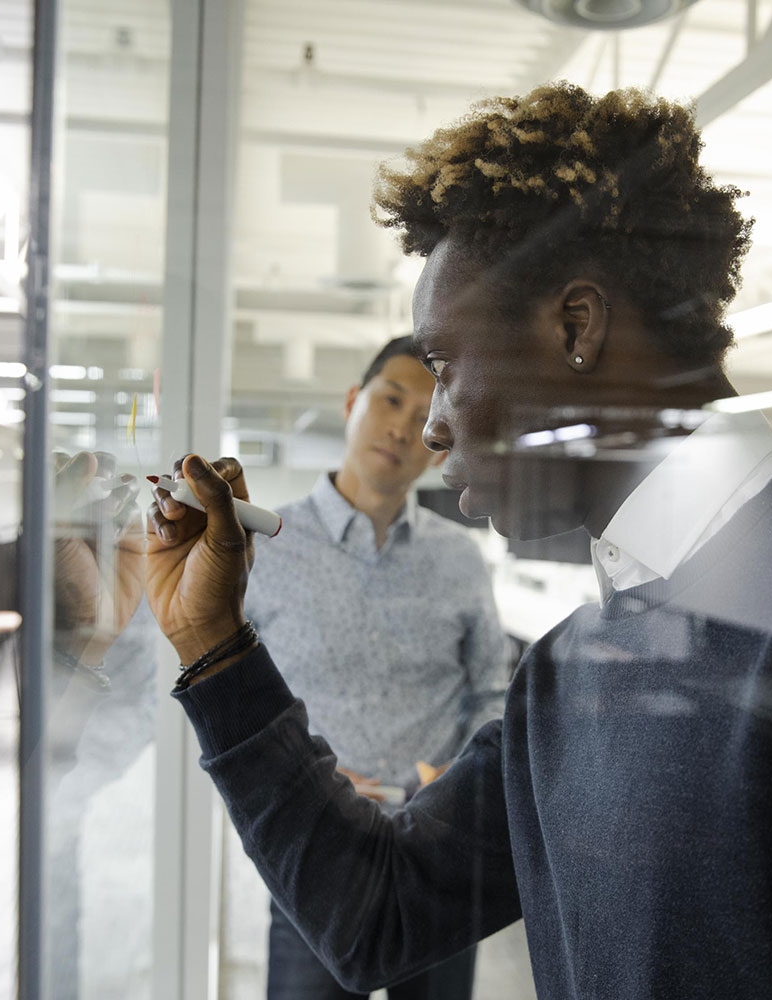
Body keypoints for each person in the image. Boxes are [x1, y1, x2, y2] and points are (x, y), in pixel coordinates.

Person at [144, 84, 772, 999]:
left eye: (449, 362)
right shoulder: (575, 667)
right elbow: (377, 909)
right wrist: (215, 648)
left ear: (576, 324)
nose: (435, 425)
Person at [225, 335, 508, 1000]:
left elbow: (492, 688)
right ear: (353, 403)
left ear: (440, 440)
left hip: (435, 849)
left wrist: (450, 779)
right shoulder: (266, 546)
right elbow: (241, 704)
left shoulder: (460, 559)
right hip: (315, 849)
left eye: (423, 417)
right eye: (390, 400)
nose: (402, 428)